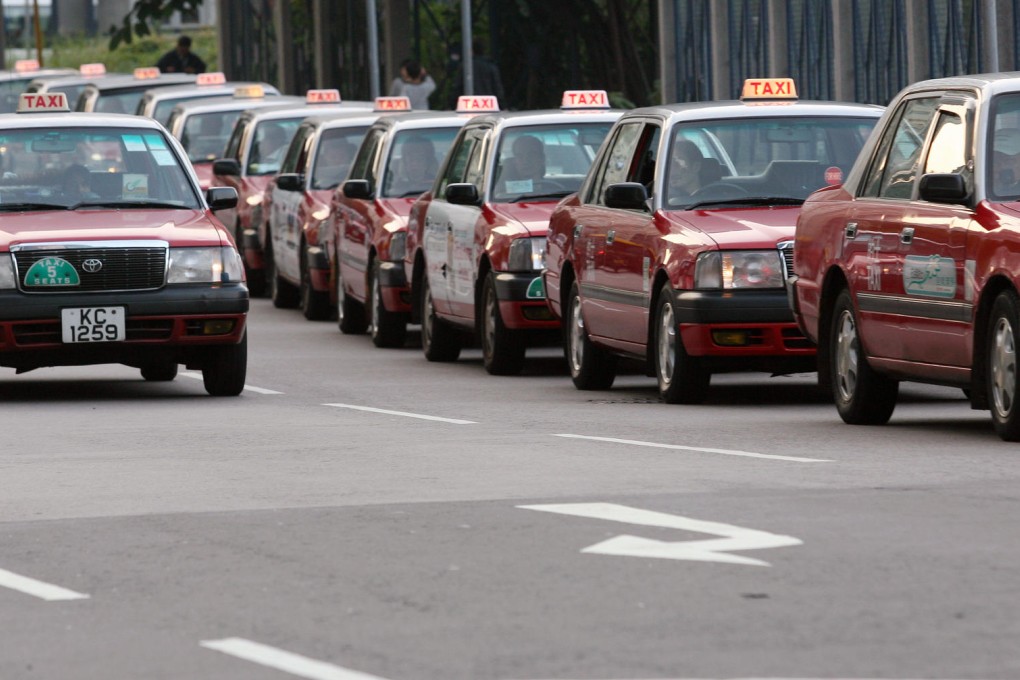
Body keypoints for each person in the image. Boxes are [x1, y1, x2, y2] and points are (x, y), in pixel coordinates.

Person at [449, 39, 505, 107]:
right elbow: (497, 88)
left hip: (469, 105)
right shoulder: (490, 66)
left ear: (471, 51)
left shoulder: (466, 66)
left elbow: (457, 87)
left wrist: (452, 104)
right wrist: (502, 105)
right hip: (489, 105)